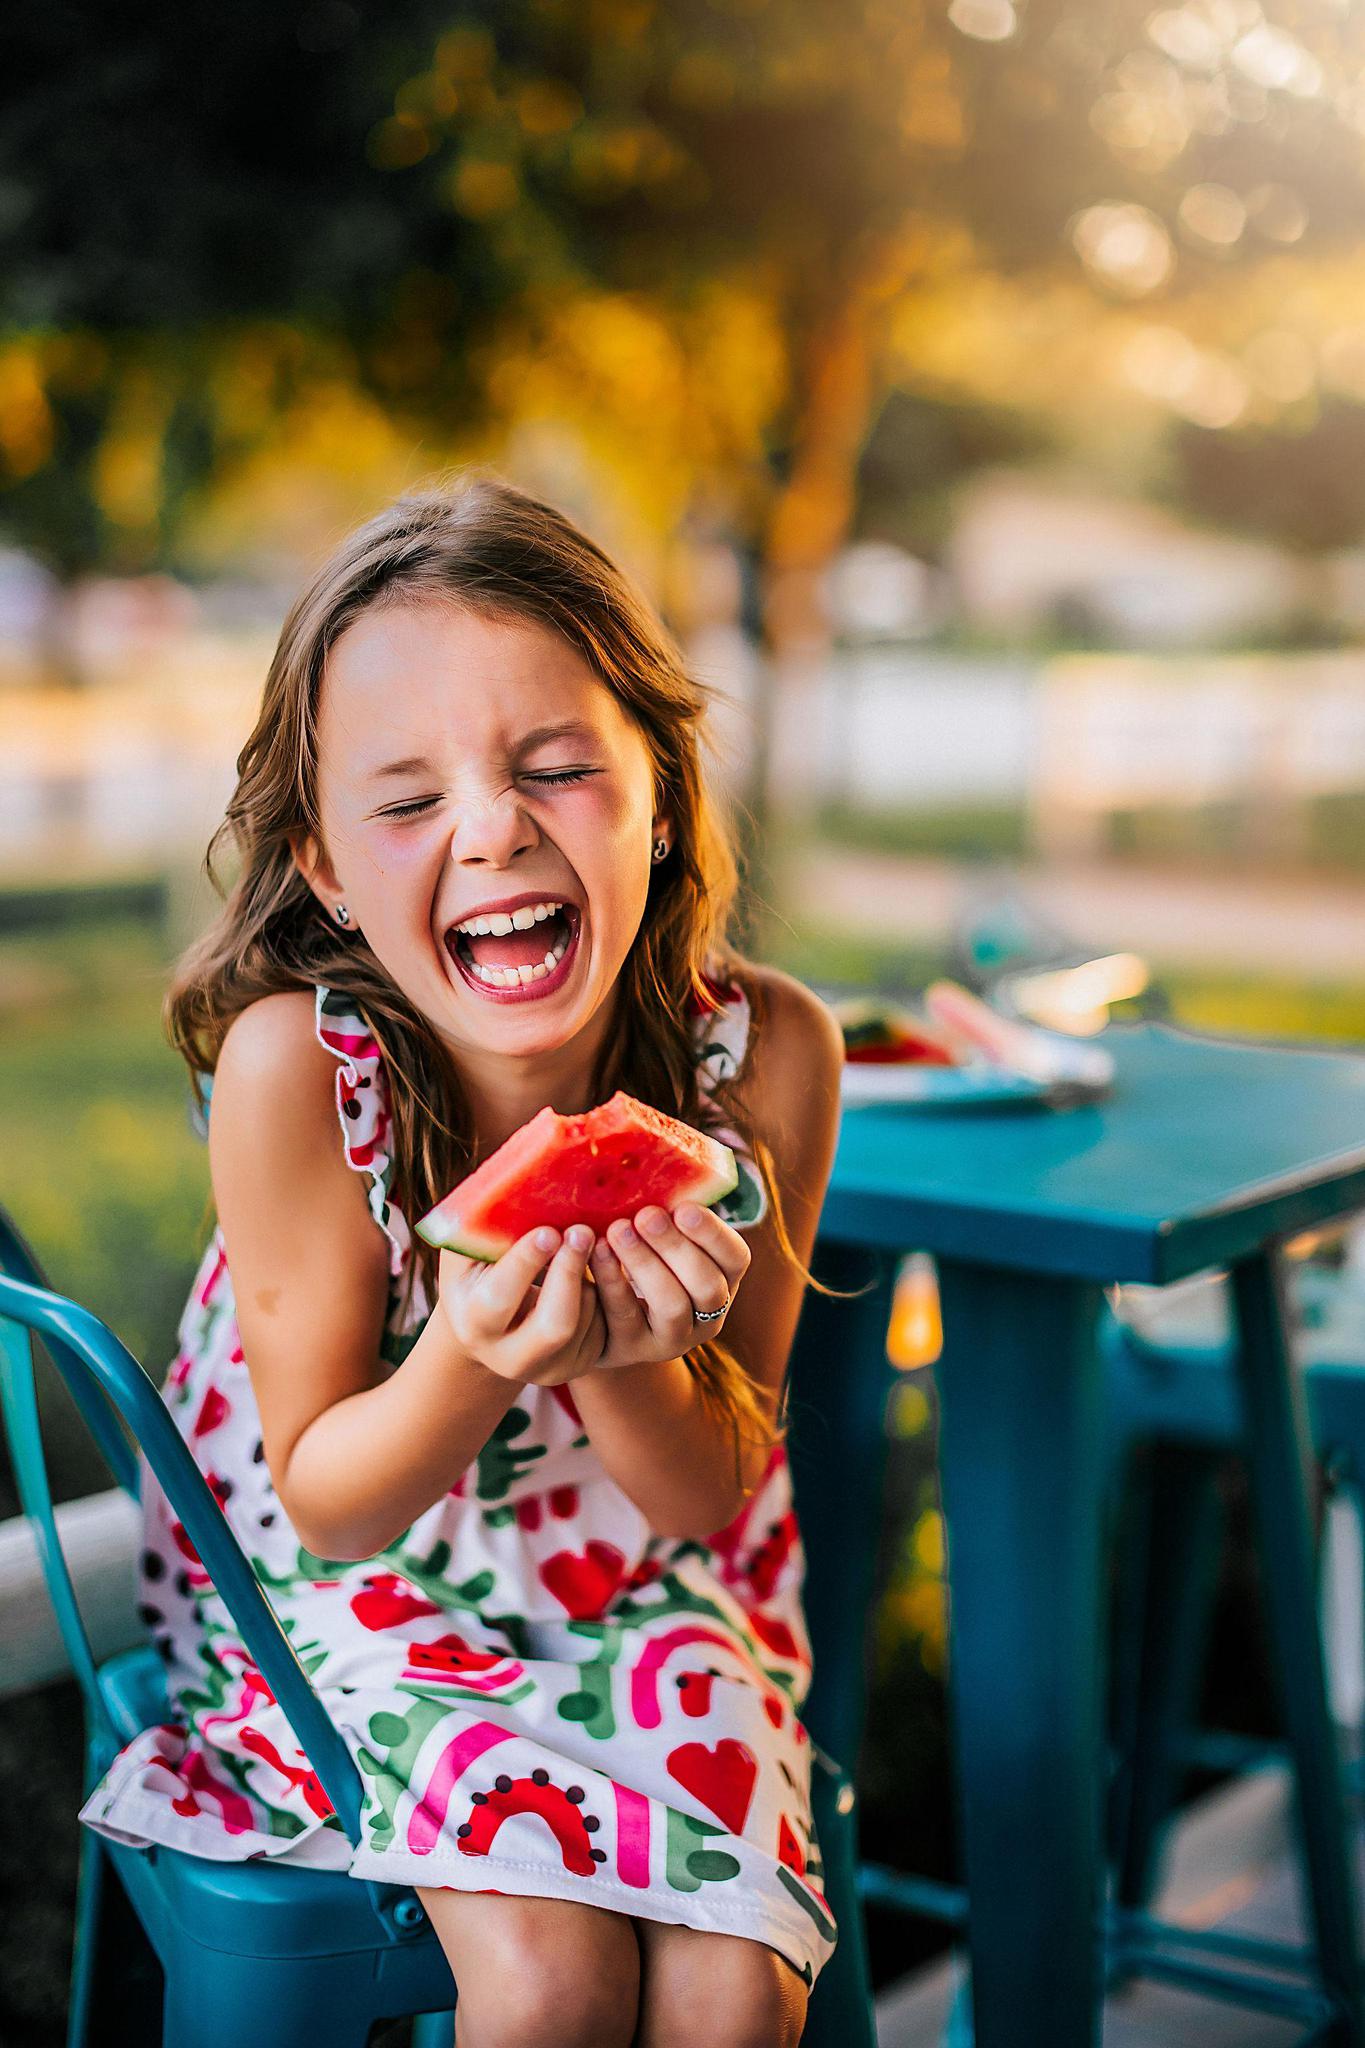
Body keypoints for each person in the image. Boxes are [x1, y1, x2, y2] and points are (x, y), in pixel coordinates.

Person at [79, 473, 847, 2048]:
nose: (492, 829)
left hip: (649, 1586)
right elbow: (327, 1496)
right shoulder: (300, 1066)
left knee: (730, 1987)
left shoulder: (766, 1054)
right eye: (406, 799)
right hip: (345, 1592)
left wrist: (631, 1355)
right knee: (550, 1977)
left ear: (661, 791)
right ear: (321, 866)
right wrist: (480, 1352)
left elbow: (708, 1495)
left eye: (558, 768)